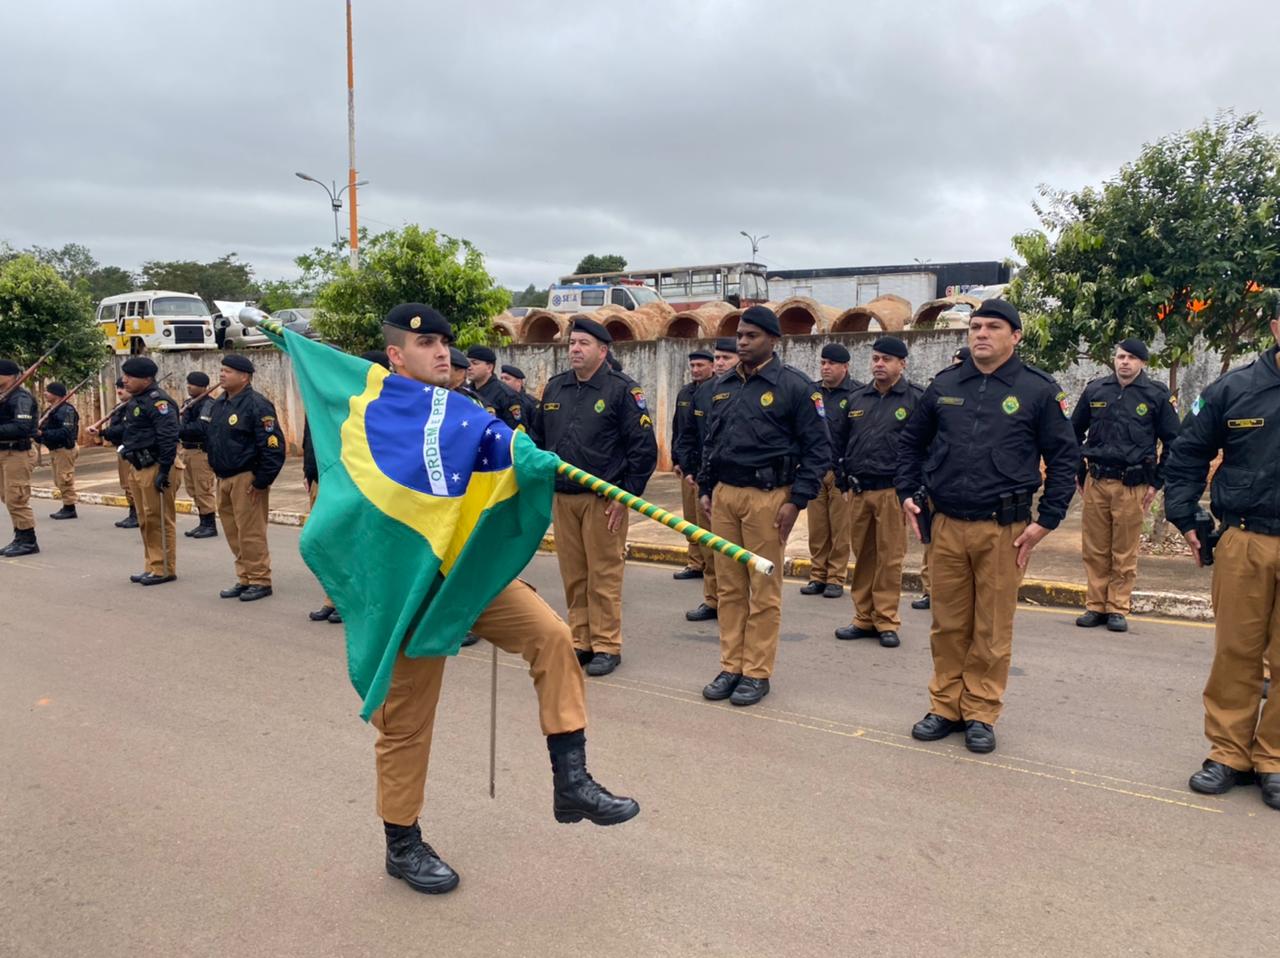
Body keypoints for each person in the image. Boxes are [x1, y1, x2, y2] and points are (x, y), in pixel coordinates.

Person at [372, 302, 639, 895]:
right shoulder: (376, 414)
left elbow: (501, 457)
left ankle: (572, 781)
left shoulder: (465, 412)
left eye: (445, 342)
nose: (441, 352)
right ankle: (402, 841)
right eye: (424, 346)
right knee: (407, 725)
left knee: (551, 636)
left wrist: (531, 460)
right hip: (413, 587)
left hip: (467, 574)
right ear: (396, 355)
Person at [897, 299, 1078, 753]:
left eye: (993, 327)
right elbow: (910, 445)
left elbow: (1064, 458)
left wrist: (1047, 521)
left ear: (1015, 336)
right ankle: (944, 707)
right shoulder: (944, 386)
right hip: (947, 524)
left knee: (992, 629)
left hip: (1004, 529)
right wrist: (907, 492)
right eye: (975, 327)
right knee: (947, 624)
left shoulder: (1038, 390)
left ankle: (980, 711)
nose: (981, 334)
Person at [1164, 307, 1280, 811]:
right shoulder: (1233, 389)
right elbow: (1188, 452)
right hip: (1246, 539)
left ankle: (1273, 758)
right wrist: (1185, 516)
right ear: (1276, 326)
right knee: (1237, 651)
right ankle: (1229, 753)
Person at [697, 306, 831, 706]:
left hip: (768, 498)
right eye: (740, 335)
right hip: (725, 496)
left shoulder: (795, 387)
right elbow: (712, 442)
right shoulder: (722, 386)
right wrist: (707, 487)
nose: (742, 342)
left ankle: (756, 671)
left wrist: (797, 501)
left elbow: (819, 449)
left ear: (774, 340)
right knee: (729, 586)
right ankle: (730, 666)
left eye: (752, 336)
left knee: (763, 588)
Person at [530, 315, 658, 677]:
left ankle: (606, 644)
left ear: (603, 351)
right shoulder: (555, 388)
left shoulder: (622, 390)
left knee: (603, 574)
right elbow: (540, 441)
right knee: (573, 573)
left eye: (583, 344)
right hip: (563, 497)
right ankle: (581, 640)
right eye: (572, 343)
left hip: (604, 500)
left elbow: (643, 449)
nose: (575, 349)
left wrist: (626, 494)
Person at [1070, 339, 1180, 632]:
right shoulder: (1096, 390)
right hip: (1096, 480)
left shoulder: (1156, 395)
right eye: (1120, 356)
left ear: (1142, 362)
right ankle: (1095, 606)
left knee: (1124, 549)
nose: (1124, 362)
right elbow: (1072, 432)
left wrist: (1157, 482)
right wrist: (1077, 470)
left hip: (1133, 484)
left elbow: (1174, 441)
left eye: (1131, 357)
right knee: (1094, 547)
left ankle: (1117, 607)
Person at [834, 336, 922, 649]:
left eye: (886, 359)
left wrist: (913, 491)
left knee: (890, 558)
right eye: (875, 359)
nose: (879, 365)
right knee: (864, 557)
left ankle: (886, 620)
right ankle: (863, 618)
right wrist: (843, 482)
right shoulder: (857, 399)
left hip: (893, 492)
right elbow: (840, 443)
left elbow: (924, 449)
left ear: (902, 364)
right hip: (859, 491)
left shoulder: (915, 399)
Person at [206, 354, 286, 602]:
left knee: (251, 532)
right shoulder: (220, 403)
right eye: (222, 370)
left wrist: (261, 481)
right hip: (223, 477)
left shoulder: (257, 405)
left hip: (246, 478)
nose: (222, 375)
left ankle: (260, 579)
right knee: (233, 531)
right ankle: (245, 578)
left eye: (228, 371)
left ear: (244, 376)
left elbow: (273, 446)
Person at [684, 338, 740, 623]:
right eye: (716, 358)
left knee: (734, 550)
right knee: (709, 546)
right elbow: (690, 433)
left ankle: (737, 602)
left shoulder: (747, 391)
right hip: (706, 481)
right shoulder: (704, 392)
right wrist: (690, 467)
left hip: (736, 484)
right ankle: (712, 599)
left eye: (725, 358)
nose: (719, 363)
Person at [913, 346, 970, 610]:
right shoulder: (939, 392)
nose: (954, 368)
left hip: (962, 485)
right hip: (934, 481)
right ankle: (930, 590)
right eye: (953, 363)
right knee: (931, 541)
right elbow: (916, 439)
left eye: (960, 364)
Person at [800, 343, 859, 599]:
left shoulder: (857, 394)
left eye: (831, 364)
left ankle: (836, 577)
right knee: (818, 528)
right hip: (815, 469)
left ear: (844, 367)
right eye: (823, 363)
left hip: (841, 471)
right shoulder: (812, 393)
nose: (825, 368)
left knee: (840, 528)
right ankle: (817, 575)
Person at [116, 357, 180, 584]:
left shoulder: (158, 402)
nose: (125, 381)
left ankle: (164, 568)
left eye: (130, 377)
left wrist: (164, 469)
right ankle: (152, 564)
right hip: (138, 465)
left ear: (147, 379)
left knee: (159, 519)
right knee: (145, 519)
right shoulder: (137, 401)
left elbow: (168, 436)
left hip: (155, 465)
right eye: (125, 376)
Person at [671, 347, 716, 580]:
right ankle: (695, 562)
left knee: (707, 521)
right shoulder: (685, 394)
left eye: (700, 366)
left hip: (707, 467)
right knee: (691, 517)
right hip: (688, 467)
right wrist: (676, 459)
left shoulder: (718, 391)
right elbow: (678, 429)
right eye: (692, 366)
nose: (696, 370)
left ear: (712, 366)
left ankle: (710, 566)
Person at [0, 358, 39, 557]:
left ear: (8, 376)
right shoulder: (4, 396)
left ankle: (28, 540)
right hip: (4, 452)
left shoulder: (20, 398)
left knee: (17, 497)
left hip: (17, 452)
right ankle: (19, 536)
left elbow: (21, 427)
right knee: (7, 497)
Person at [178, 371, 219, 539]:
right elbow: (184, 424)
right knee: (192, 489)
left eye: (193, 384)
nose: (189, 386)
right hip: (187, 450)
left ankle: (210, 525)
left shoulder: (209, 404)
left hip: (200, 451)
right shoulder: (189, 403)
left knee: (203, 488)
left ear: (203, 387)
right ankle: (202, 522)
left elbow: (200, 428)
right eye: (188, 383)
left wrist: (179, 429)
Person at [99, 379, 140, 528]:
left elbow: (124, 428)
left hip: (132, 450)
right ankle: (133, 512)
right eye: (118, 388)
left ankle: (136, 514)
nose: (120, 391)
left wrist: (102, 432)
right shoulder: (119, 407)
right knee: (126, 484)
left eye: (123, 387)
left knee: (132, 484)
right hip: (122, 448)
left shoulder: (135, 407)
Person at [39, 382, 80, 520]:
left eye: (48, 391)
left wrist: (43, 434)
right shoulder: (50, 410)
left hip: (64, 448)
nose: (45, 393)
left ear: (56, 394)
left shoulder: (67, 410)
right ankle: (66, 505)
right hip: (54, 449)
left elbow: (66, 432)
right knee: (58, 480)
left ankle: (70, 508)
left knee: (65, 478)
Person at [466, 345, 523, 430]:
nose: (469, 367)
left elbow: (515, 432)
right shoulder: (466, 391)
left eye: (475, 363)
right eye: (467, 363)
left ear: (489, 367)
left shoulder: (506, 395)